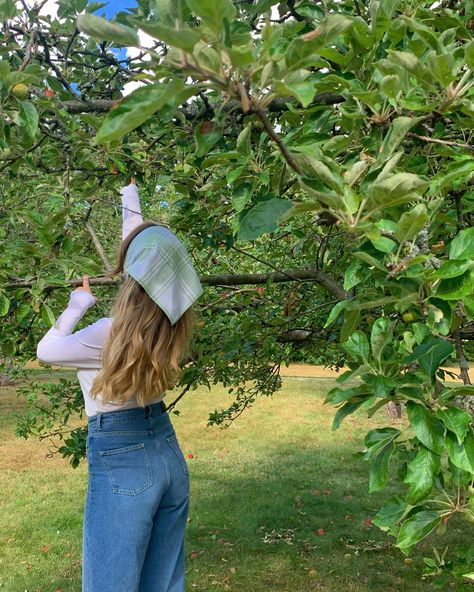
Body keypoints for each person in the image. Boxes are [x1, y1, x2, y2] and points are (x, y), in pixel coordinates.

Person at [36, 179, 204, 592]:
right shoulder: (171, 325)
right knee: (163, 584)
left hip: (123, 455)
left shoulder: (105, 335)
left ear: (131, 283)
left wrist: (77, 304)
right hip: (166, 451)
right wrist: (129, 194)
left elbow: (47, 350)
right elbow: (142, 252)